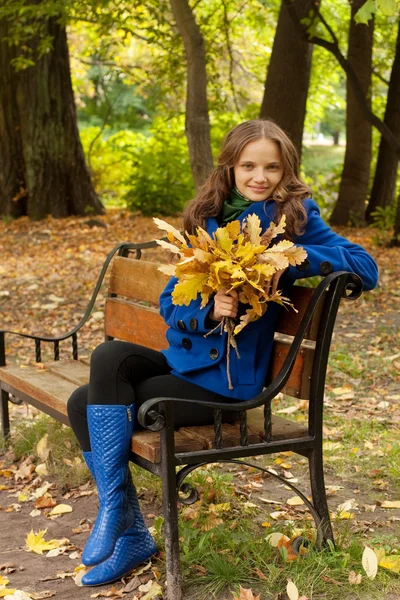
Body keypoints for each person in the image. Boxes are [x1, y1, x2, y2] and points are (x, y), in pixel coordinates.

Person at [67, 119, 378, 586]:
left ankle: (124, 529)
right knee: (97, 373)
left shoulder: (294, 218)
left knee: (92, 398)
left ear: (286, 169)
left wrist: (296, 257)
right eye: (248, 165)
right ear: (230, 167)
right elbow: (172, 302)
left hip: (229, 386)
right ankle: (122, 520)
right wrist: (209, 312)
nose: (260, 176)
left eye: (272, 167)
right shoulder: (205, 217)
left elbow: (365, 267)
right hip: (186, 364)